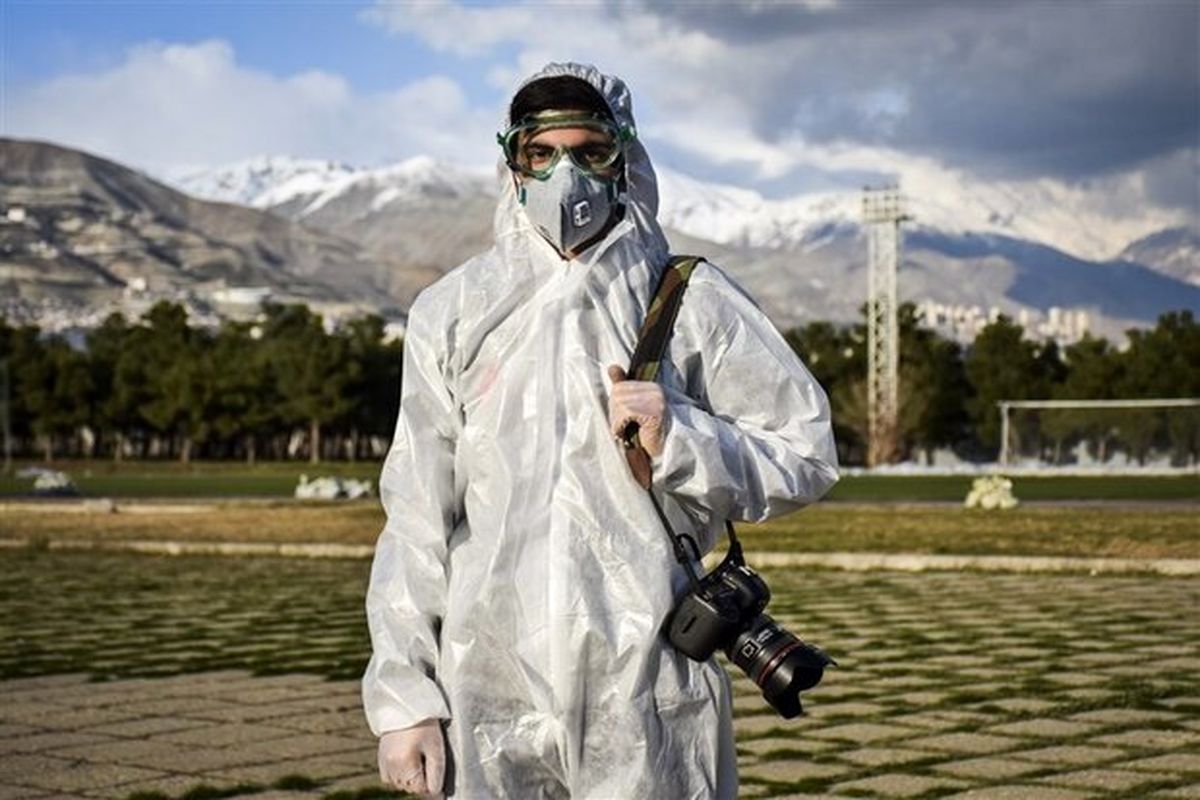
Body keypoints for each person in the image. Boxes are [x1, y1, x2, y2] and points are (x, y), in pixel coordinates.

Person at [361, 61, 839, 799]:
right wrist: (405, 700)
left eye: (591, 151)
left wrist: (681, 437)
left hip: (647, 681)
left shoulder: (690, 300)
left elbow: (805, 453)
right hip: (485, 685)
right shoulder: (453, 312)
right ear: (512, 164)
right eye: (541, 154)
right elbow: (418, 513)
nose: (566, 176)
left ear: (625, 158)